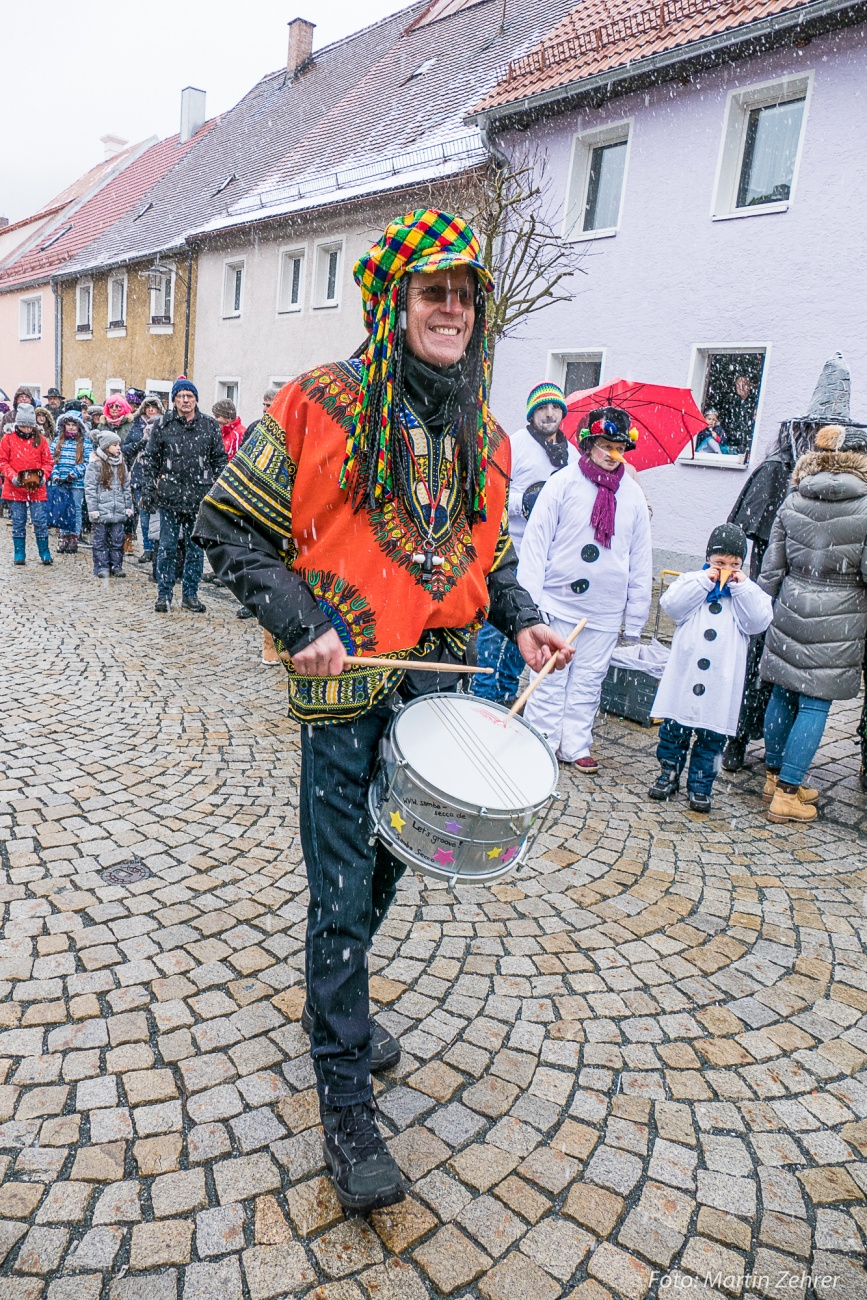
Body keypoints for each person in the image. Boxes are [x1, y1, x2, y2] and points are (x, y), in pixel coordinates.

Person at [194, 208, 571, 1215]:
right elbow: (226, 522)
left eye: (464, 294)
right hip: (342, 683)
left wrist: (525, 619)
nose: (449, 307)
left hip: (436, 686)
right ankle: (346, 1093)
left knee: (397, 863)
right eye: (431, 291)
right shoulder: (318, 402)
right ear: (396, 303)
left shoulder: (487, 438)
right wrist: (298, 613)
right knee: (341, 882)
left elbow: (487, 561)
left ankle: (341, 1003)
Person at [722, 352, 855, 771]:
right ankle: (738, 742)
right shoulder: (778, 470)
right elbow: (749, 537)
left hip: (800, 594)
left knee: (784, 685)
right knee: (757, 676)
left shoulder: (834, 484)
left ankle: (776, 758)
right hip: (768, 591)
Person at [518, 405, 652, 773]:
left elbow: (641, 557)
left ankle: (575, 743)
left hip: (605, 611)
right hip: (557, 603)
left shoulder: (633, 495)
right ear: (589, 443)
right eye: (605, 446)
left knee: (588, 682)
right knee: (548, 677)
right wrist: (528, 606)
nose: (612, 456)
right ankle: (542, 740)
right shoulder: (562, 483)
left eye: (619, 448)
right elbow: (536, 542)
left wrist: (635, 616)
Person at [758, 423, 867, 823]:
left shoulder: (794, 499)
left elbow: (772, 568)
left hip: (790, 605)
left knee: (783, 693)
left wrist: (760, 610)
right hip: (839, 618)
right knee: (814, 704)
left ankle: (773, 776)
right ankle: (787, 793)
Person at [648, 524, 772, 813]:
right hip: (686, 674)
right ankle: (668, 773)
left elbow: (758, 621)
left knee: (711, 738)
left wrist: (741, 587)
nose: (726, 569)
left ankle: (701, 786)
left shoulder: (746, 593)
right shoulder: (693, 581)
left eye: (734, 564)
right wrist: (705, 581)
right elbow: (673, 606)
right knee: (674, 730)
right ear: (708, 559)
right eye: (719, 563)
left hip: (720, 681)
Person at [472, 381, 578, 704]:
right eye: (543, 409)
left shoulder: (571, 454)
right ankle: (482, 693)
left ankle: (506, 693)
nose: (550, 414)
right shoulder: (514, 444)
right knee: (498, 621)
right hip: (509, 551)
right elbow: (494, 494)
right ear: (531, 414)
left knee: (529, 621)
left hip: (545, 558)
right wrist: (524, 503)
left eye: (555, 408)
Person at [141, 378, 226, 613]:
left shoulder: (209, 426)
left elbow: (219, 460)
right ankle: (164, 594)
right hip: (169, 497)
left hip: (199, 498)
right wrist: (148, 489)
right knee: (167, 548)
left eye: (189, 396)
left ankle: (190, 594)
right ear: (174, 400)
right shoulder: (163, 425)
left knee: (195, 550)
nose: (185, 400)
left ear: (196, 399)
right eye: (180, 396)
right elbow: (151, 460)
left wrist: (220, 493)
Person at [0, 403, 54, 565]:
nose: (27, 429)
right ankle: (19, 552)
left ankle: (44, 552)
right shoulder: (8, 439)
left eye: (30, 426)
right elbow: (3, 462)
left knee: (39, 521)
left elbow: (48, 462)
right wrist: (13, 476)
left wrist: (43, 476)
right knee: (18, 521)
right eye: (23, 426)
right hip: (15, 487)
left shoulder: (41, 440)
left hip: (36, 487)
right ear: (18, 424)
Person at [85, 431, 133, 578]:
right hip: (101, 510)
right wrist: (93, 509)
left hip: (118, 511)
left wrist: (128, 506)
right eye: (114, 445)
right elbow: (90, 488)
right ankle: (102, 566)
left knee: (117, 540)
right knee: (100, 541)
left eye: (119, 444)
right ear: (106, 447)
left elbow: (126, 487)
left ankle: (116, 565)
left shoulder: (121, 464)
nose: (118, 448)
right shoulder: (96, 464)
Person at [123, 396, 164, 562]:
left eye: (155, 407)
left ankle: (158, 548)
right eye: (148, 407)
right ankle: (148, 548)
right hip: (140, 475)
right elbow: (126, 449)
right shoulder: (137, 426)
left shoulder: (165, 425)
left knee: (159, 516)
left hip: (160, 477)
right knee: (144, 515)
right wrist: (140, 444)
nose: (151, 410)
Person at [49, 412, 92, 552]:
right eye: (69, 425)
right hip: (60, 481)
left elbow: (88, 462)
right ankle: (63, 536)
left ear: (79, 427)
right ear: (64, 426)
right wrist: (55, 475)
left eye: (74, 425)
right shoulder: (57, 441)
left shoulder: (85, 442)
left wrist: (74, 474)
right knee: (62, 509)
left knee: (76, 509)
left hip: (76, 483)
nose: (71, 427)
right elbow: (51, 460)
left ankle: (74, 536)